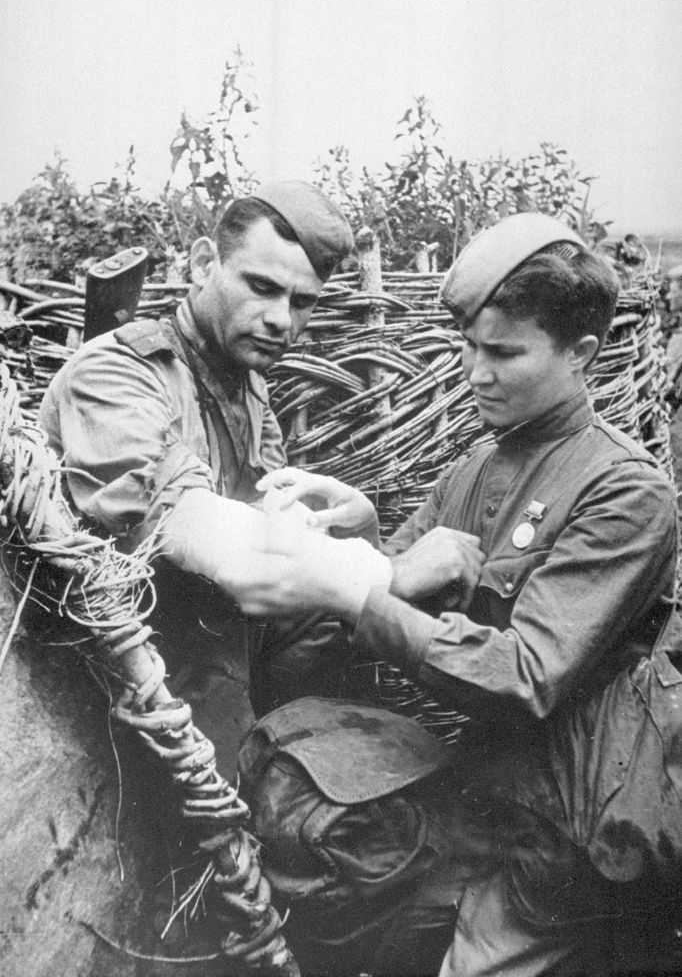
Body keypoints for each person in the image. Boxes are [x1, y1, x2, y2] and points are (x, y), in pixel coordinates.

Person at [233, 213, 680, 975]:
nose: (476, 373)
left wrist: (360, 593)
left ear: (582, 356)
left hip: (565, 836)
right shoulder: (474, 467)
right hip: (476, 803)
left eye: (505, 352)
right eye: (470, 347)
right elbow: (384, 585)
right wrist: (365, 547)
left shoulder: (625, 492)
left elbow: (527, 675)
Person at [37, 181, 388, 773]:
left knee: (337, 671)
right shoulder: (113, 372)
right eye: (262, 287)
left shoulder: (246, 383)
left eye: (303, 302)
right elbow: (219, 543)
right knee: (237, 808)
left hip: (212, 632)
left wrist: (362, 525)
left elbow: (269, 512)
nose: (281, 320)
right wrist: (382, 574)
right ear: (204, 264)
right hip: (113, 652)